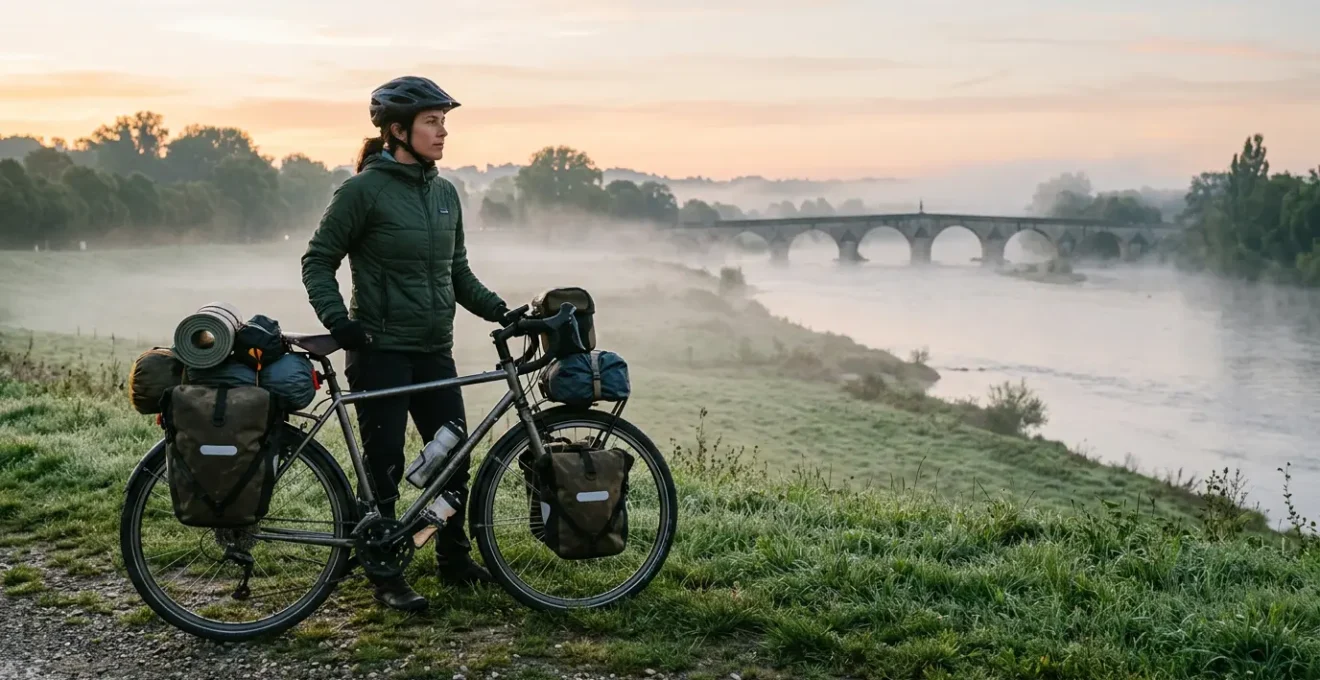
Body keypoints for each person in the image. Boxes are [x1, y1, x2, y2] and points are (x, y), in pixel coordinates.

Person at [300, 75, 514, 612]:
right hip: (379, 348)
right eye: (431, 122)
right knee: (386, 464)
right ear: (398, 130)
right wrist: (338, 321)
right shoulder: (362, 191)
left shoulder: (444, 192)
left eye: (444, 122)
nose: (443, 132)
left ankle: (452, 555)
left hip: (433, 347)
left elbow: (458, 274)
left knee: (454, 457)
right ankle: (384, 571)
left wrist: (503, 311)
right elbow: (317, 260)